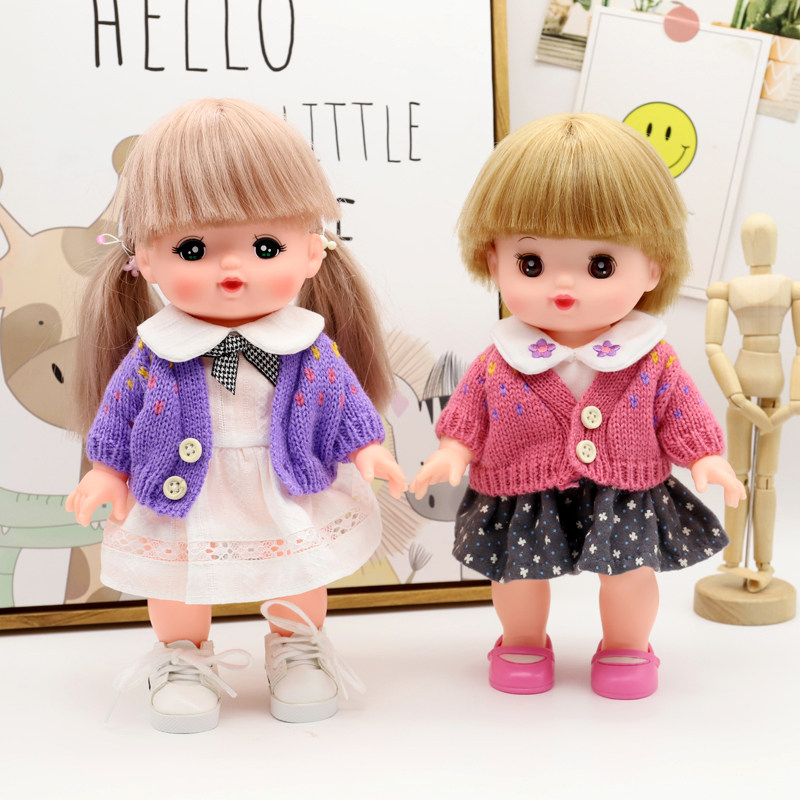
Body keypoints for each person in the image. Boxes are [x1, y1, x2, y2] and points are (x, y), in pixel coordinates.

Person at [67, 98, 406, 732]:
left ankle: (297, 646)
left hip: (283, 482)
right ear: (144, 257)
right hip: (182, 491)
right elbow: (120, 413)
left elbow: (343, 402)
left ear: (312, 252)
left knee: (299, 567)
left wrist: (369, 448)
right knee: (177, 581)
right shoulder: (155, 352)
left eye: (265, 245)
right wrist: (106, 471)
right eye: (193, 247)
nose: (231, 268)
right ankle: (182, 656)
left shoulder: (308, 345)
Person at [410, 113, 745, 700]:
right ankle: (522, 641)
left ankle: (626, 647)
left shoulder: (651, 358)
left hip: (625, 489)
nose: (563, 287)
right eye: (531, 264)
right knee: (517, 573)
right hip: (522, 488)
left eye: (600, 265)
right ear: (493, 261)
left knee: (629, 573)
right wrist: (452, 451)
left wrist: (706, 457)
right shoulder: (500, 359)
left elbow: (681, 411)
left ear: (654, 265)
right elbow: (470, 413)